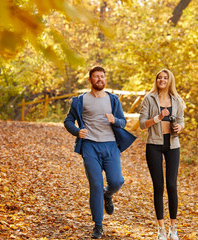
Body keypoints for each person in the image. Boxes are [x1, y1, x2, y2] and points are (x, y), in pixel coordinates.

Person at [64, 66, 136, 239]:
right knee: (95, 185)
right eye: (96, 77)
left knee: (117, 181)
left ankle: (108, 194)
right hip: (90, 146)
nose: (99, 79)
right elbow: (68, 121)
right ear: (90, 80)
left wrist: (115, 120)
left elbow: (123, 122)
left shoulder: (113, 100)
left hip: (110, 145)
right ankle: (98, 226)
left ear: (105, 79)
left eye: (102, 76)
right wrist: (76, 131)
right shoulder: (80, 101)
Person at [139, 69, 185, 240]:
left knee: (171, 186)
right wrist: (158, 117)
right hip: (154, 146)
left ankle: (173, 228)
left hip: (173, 145)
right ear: (156, 80)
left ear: (170, 81)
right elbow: (142, 124)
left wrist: (179, 127)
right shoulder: (149, 98)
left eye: (165, 78)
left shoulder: (177, 100)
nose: (162, 80)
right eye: (159, 77)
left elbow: (181, 121)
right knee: (158, 187)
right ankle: (161, 229)